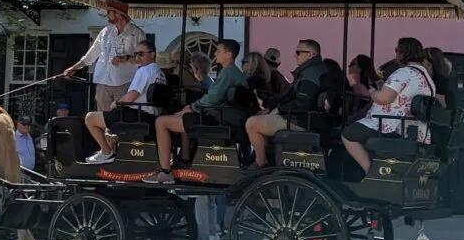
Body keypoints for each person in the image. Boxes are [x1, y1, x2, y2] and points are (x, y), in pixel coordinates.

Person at [144, 39, 246, 184]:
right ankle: (184, 157)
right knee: (182, 117)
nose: (215, 53)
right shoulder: (232, 72)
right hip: (221, 115)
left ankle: (165, 171)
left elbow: (213, 98)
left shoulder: (228, 73)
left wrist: (191, 106)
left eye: (218, 50)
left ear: (228, 55)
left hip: (215, 118)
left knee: (161, 122)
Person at [342, 37, 436, 174]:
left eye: (397, 50)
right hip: (416, 128)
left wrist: (373, 92)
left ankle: (370, 173)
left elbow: (384, 98)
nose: (396, 54)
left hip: (394, 126)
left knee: (348, 134)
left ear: (403, 53)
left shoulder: (404, 72)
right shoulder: (425, 75)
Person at [245, 39, 327, 168]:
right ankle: (270, 156)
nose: (295, 55)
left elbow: (301, 104)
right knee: (263, 116)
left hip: (301, 121)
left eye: (298, 52)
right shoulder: (313, 70)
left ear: (311, 54)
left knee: (251, 123)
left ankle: (260, 161)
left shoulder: (310, 75)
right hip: (306, 119)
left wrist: (279, 109)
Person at [83, 41, 166, 164]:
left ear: (153, 54)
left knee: (90, 118)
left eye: (141, 54)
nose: (138, 57)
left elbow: (132, 96)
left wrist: (116, 103)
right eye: (136, 54)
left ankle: (106, 152)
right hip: (152, 115)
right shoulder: (160, 73)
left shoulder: (144, 71)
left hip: (137, 115)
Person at [62, 0, 146, 111]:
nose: (107, 15)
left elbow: (144, 58)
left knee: (120, 119)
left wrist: (126, 58)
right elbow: (91, 56)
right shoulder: (105, 31)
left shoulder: (137, 33)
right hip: (103, 83)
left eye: (109, 12)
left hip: (124, 83)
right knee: (102, 120)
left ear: (118, 14)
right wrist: (74, 67)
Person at [346, 55, 380, 123]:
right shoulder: (355, 84)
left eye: (353, 64)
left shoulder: (363, 86)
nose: (349, 66)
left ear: (360, 68)